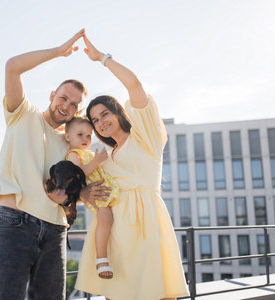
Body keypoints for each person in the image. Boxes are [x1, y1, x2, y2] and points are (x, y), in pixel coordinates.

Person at [0, 29, 110, 300]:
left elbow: (64, 191)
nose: (66, 105)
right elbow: (12, 67)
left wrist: (83, 193)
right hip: (15, 222)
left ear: (78, 112)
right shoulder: (21, 113)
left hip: (55, 229)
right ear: (51, 95)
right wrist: (59, 51)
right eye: (63, 98)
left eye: (73, 104)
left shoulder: (72, 145)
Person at [74, 34, 189, 300]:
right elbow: (84, 187)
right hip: (114, 229)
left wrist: (102, 58)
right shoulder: (105, 155)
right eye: (95, 120)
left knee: (158, 291)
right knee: (117, 294)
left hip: (147, 222)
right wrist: (84, 193)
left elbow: (134, 85)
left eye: (105, 114)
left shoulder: (145, 135)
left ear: (118, 112)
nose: (101, 122)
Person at [64, 117, 120, 279]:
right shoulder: (73, 155)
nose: (85, 139)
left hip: (101, 189)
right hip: (93, 192)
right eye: (80, 135)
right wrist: (96, 161)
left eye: (88, 135)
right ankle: (101, 259)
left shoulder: (86, 152)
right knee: (106, 219)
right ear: (68, 136)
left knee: (110, 219)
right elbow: (79, 176)